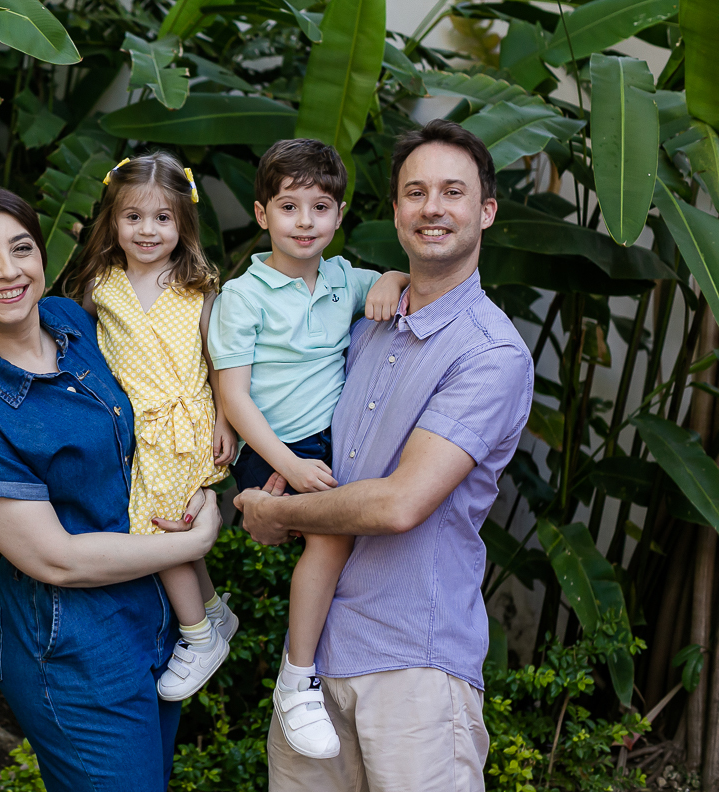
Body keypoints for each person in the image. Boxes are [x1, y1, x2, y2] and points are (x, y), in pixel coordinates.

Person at [235, 119, 535, 791]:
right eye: (416, 192)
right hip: (314, 665)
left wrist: (280, 513)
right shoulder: (367, 325)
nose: (433, 208)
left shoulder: (490, 353)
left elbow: (401, 503)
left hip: (413, 665)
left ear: (486, 211)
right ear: (396, 212)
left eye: (453, 192)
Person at [0, 186, 223, 792]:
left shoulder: (72, 321)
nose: (8, 270)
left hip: (156, 620)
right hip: (76, 652)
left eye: (21, 248)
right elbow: (57, 559)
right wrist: (194, 540)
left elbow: (166, 387)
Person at [207, 138, 408, 758]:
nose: (304, 222)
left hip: (329, 443)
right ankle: (296, 682)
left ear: (339, 216)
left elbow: (401, 281)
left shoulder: (344, 278)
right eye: (289, 207)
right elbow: (234, 396)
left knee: (354, 535)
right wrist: (288, 464)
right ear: (262, 213)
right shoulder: (244, 296)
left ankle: (317, 669)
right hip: (271, 445)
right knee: (331, 537)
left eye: (320, 208)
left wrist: (394, 277)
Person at [70, 152, 239, 703]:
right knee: (178, 530)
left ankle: (199, 638)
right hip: (135, 432)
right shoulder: (102, 283)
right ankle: (214, 613)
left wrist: (227, 423)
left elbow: (219, 362)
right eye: (134, 217)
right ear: (113, 222)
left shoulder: (197, 286)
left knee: (158, 532)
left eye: (163, 218)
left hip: (182, 430)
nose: (148, 230)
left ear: (183, 223)